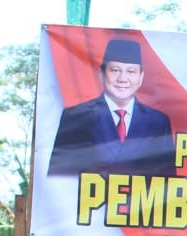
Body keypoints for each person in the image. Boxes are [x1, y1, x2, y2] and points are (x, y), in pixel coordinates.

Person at [48, 37, 174, 177]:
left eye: (131, 72)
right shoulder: (75, 117)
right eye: (115, 70)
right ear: (102, 74)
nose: (122, 79)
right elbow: (58, 179)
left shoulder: (158, 122)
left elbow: (167, 183)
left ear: (141, 77)